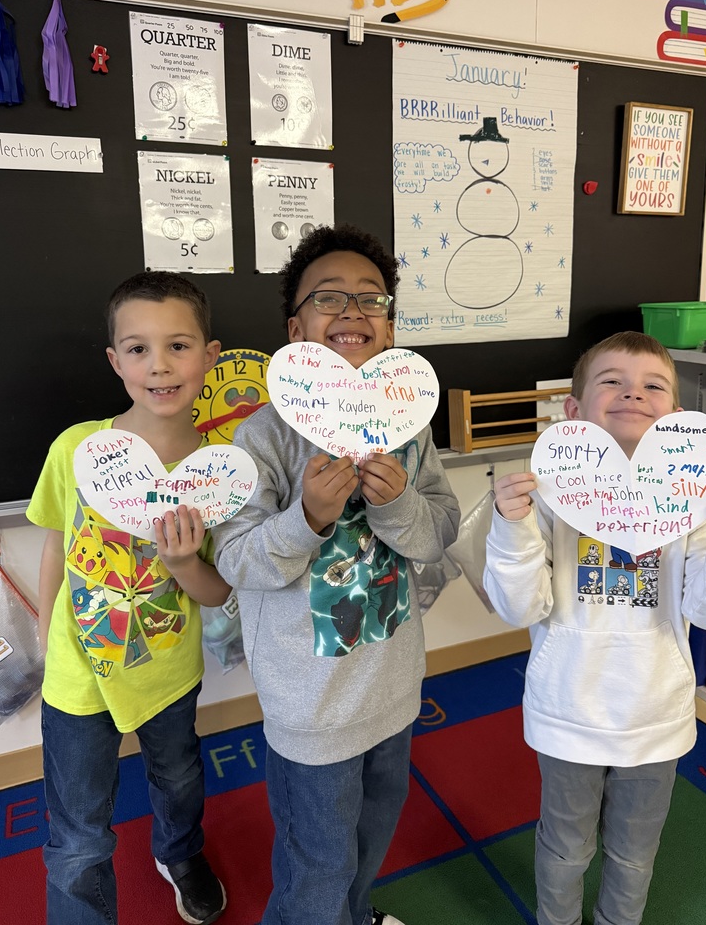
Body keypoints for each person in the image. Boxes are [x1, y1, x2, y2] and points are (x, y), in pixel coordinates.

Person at [213, 224, 460, 925]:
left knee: (369, 842)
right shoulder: (262, 436)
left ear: (389, 326)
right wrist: (309, 517)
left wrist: (398, 504)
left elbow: (438, 531)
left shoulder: (411, 427)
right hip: (312, 708)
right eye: (329, 298)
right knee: (318, 865)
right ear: (296, 328)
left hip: (393, 689)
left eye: (371, 298)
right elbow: (237, 559)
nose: (353, 310)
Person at [484, 330, 706, 925]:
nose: (634, 394)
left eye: (654, 385)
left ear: (678, 417)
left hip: (654, 713)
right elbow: (518, 606)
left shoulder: (695, 501)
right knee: (564, 845)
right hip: (568, 710)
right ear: (573, 411)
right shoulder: (547, 496)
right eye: (612, 382)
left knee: (634, 853)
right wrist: (511, 526)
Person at [27, 271, 230, 925]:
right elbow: (57, 546)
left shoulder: (222, 471)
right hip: (78, 673)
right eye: (138, 349)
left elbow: (218, 587)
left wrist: (178, 562)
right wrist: (45, 636)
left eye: (178, 346)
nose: (160, 365)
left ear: (210, 356)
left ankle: (180, 852)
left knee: (178, 778)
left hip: (167, 668)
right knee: (79, 833)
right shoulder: (76, 449)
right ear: (116, 361)